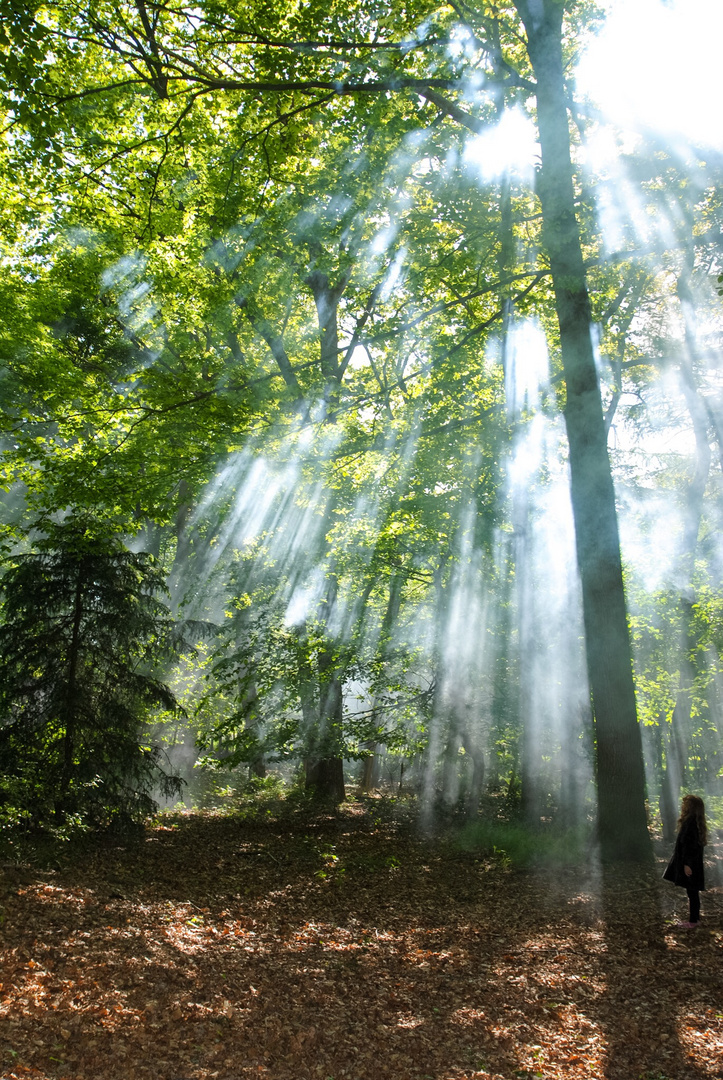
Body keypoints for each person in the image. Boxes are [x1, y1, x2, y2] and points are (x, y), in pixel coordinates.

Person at [663, 793, 707, 928]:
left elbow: (690, 845)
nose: (683, 806)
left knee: (692, 892)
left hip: (691, 863)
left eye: (686, 804)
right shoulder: (694, 822)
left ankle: (694, 921)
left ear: (691, 807)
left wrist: (687, 864)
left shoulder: (691, 823)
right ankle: (695, 919)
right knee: (692, 892)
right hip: (692, 862)